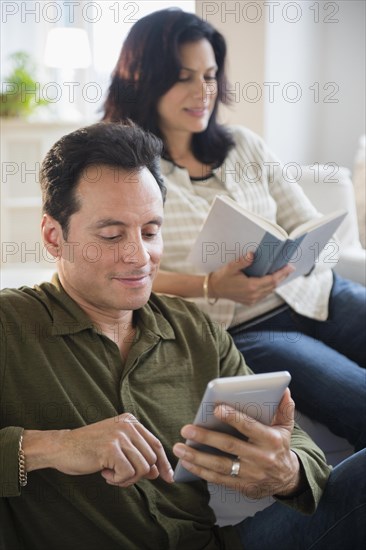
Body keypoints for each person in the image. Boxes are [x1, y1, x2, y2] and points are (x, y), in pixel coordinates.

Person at [0, 121, 365, 550]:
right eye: (112, 235)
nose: (140, 256)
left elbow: (296, 443)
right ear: (52, 236)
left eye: (151, 231)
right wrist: (52, 447)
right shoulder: (12, 326)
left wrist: (287, 470)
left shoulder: (194, 330)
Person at [102, 7, 366, 451]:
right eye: (183, 76)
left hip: (316, 292)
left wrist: (297, 254)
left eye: (209, 76)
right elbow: (116, 270)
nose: (202, 91)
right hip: (247, 330)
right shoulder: (123, 168)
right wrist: (209, 285)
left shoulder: (244, 144)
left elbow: (304, 219)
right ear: (144, 80)